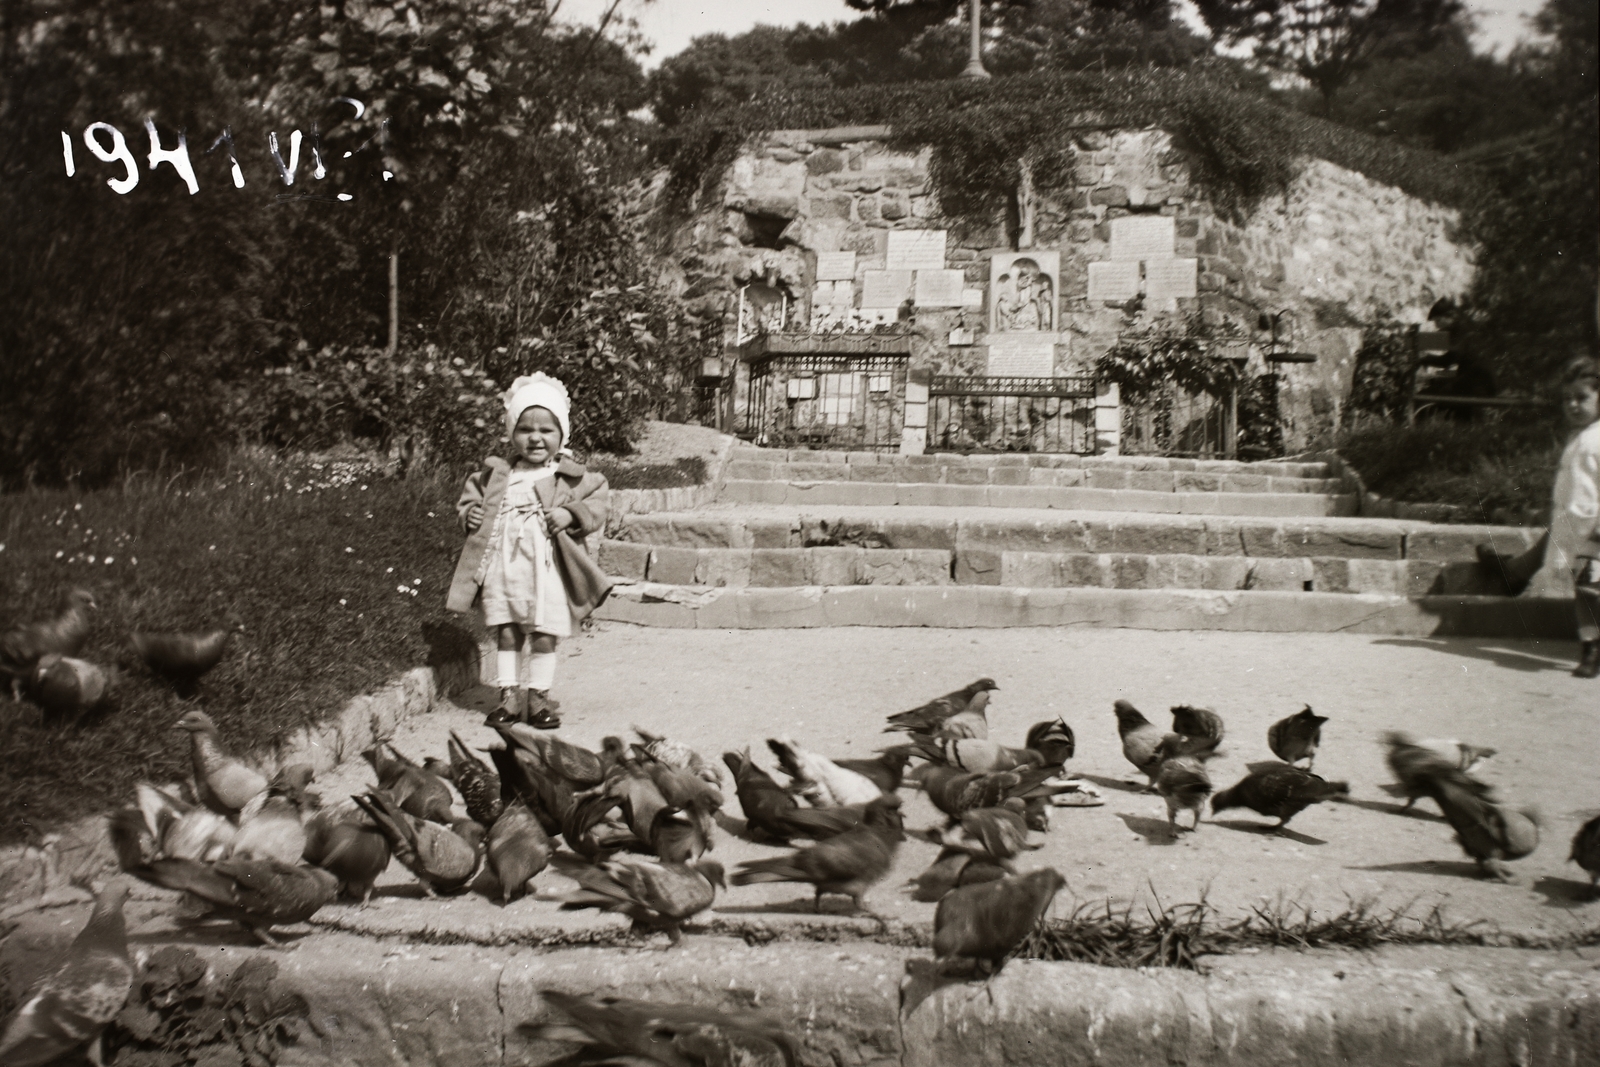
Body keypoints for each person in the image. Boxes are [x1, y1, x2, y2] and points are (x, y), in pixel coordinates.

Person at [447, 373, 610, 725]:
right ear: (512, 433)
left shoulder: (570, 475)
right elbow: (471, 499)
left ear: (561, 435)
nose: (535, 438)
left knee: (544, 632)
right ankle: (508, 697)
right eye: (525, 430)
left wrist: (570, 513)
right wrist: (470, 513)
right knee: (507, 629)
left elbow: (598, 501)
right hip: (506, 567)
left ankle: (537, 698)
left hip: (548, 568)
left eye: (546, 430)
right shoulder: (497, 475)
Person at [1477, 355, 1600, 677]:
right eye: (1567, 399)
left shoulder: (1591, 442)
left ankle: (1593, 649)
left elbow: (1587, 496)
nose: (1572, 405)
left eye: (1582, 398)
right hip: (1586, 529)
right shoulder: (1583, 438)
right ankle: (1591, 649)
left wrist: (1581, 531)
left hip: (1593, 530)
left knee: (1590, 592)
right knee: (1588, 591)